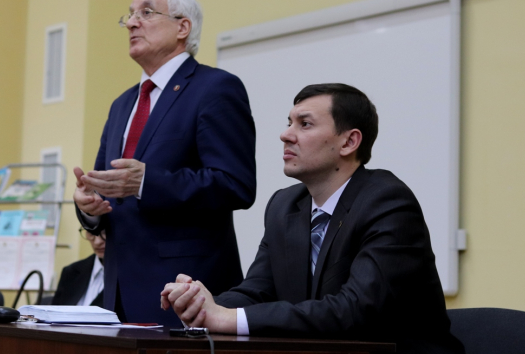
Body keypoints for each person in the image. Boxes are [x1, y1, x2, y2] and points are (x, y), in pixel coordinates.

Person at [161, 83, 465, 353]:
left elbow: (355, 310)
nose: (285, 135)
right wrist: (201, 304)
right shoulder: (284, 205)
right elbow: (257, 291)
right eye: (289, 123)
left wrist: (228, 319)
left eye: (304, 124)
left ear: (349, 142)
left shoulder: (387, 202)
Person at [73, 0, 256, 326]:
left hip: (184, 291)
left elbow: (235, 185)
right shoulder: (122, 104)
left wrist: (147, 183)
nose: (131, 23)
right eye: (130, 15)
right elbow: (108, 191)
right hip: (118, 292)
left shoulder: (215, 88)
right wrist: (90, 208)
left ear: (182, 27)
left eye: (146, 12)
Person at [51, 228, 106, 308]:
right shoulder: (71, 272)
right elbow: (54, 312)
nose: (97, 242)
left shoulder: (126, 276)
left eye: (106, 233)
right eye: (91, 233)